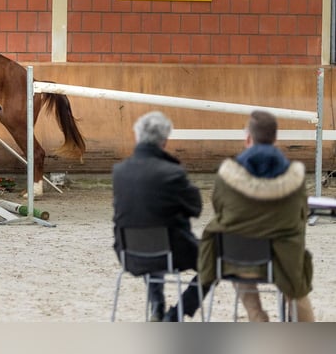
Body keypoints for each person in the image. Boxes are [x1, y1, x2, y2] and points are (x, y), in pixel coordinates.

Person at [198, 110, 315, 322]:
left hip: (240, 259)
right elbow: (302, 215)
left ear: (248, 138)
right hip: (283, 260)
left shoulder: (226, 178)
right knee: (296, 280)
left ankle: (256, 315)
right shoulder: (295, 179)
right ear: (275, 139)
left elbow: (219, 210)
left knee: (238, 249)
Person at [112, 110, 208, 322]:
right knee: (213, 261)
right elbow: (196, 208)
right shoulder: (172, 172)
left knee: (148, 238)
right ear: (164, 141)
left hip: (128, 251)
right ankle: (176, 314)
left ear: (138, 137)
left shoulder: (119, 172)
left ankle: (157, 306)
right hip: (173, 250)